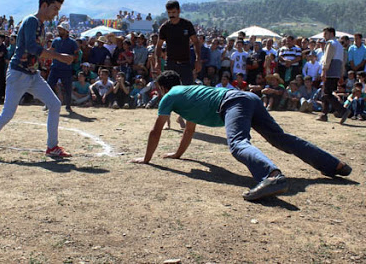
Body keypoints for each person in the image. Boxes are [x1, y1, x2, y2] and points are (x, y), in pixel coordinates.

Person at [131, 70, 352, 201]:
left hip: (232, 102)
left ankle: (272, 176)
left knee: (237, 143)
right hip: (247, 98)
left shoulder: (169, 95)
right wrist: (178, 155)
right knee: (280, 139)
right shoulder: (188, 92)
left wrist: (147, 159)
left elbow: (156, 129)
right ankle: (336, 166)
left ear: (161, 88)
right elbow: (189, 130)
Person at [0, 0, 74, 161]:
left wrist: (50, 55)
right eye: (55, 8)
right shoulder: (32, 21)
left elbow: (35, 51)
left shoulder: (40, 25)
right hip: (19, 73)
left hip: (30, 73)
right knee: (7, 114)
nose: (56, 13)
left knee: (54, 104)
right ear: (44, 5)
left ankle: (52, 147)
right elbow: (31, 47)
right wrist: (59, 57)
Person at [156, 0, 201, 128]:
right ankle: (167, 121)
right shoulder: (164, 27)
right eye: (169, 12)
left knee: (188, 92)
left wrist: (198, 59)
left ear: (179, 11)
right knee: (168, 92)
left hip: (185, 63)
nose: (172, 15)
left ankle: (181, 117)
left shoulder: (187, 25)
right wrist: (158, 61)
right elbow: (158, 46)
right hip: (170, 63)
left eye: (174, 12)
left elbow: (196, 42)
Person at [47, 21, 78, 112]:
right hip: (55, 67)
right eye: (59, 29)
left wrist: (71, 59)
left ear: (66, 30)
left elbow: (77, 55)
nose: (59, 31)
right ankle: (48, 104)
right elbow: (51, 51)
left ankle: (68, 106)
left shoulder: (72, 42)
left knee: (68, 88)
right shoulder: (55, 41)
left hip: (66, 68)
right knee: (49, 85)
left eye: (61, 29)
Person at [317, 27, 347, 122]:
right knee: (326, 92)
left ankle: (342, 110)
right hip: (336, 72)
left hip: (330, 71)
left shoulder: (330, 43)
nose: (324, 36)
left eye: (325, 33)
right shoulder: (340, 46)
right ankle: (324, 114)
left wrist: (324, 71)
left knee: (327, 93)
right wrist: (341, 74)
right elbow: (343, 62)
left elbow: (327, 59)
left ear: (331, 33)